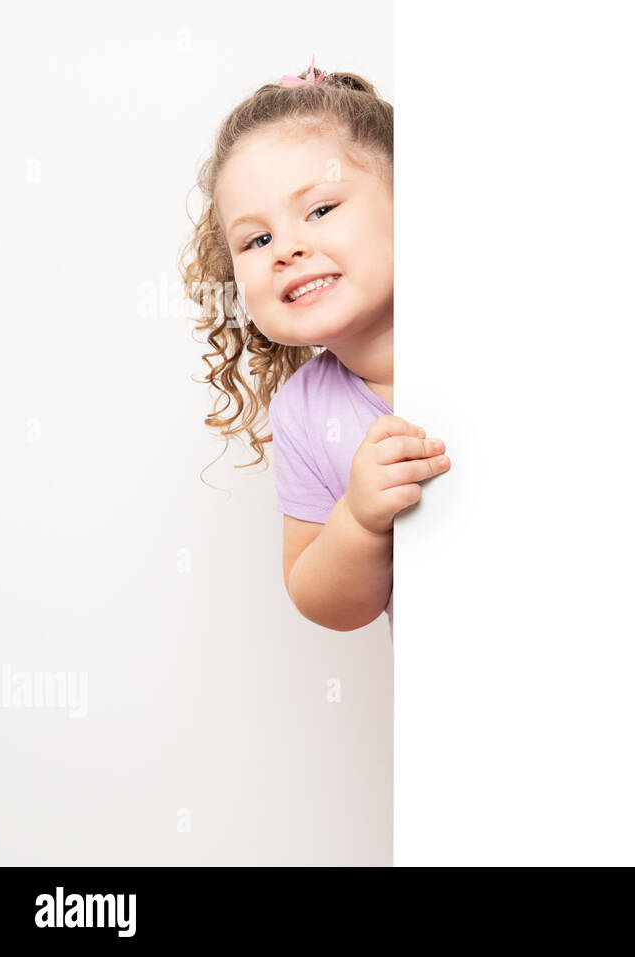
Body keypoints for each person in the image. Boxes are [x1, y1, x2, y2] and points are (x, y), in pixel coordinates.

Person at [179, 56, 449, 642]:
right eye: (257, 239)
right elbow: (327, 603)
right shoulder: (304, 412)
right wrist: (358, 519)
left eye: (321, 209)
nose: (287, 249)